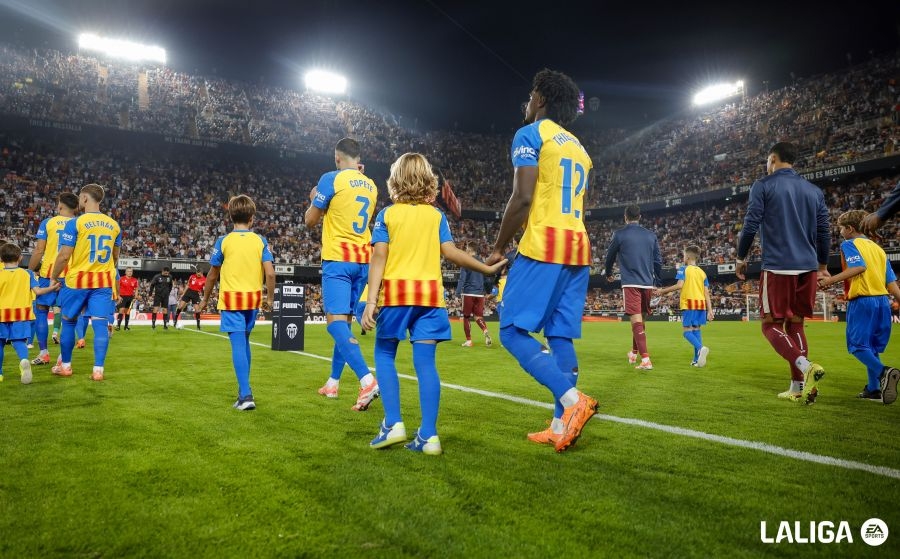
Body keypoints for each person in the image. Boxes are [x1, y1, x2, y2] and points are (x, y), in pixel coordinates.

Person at [485, 68, 599, 453]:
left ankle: (573, 401)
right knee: (559, 335)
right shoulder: (581, 149)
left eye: (532, 94)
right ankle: (559, 425)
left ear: (541, 100)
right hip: (578, 246)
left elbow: (522, 197)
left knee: (510, 331)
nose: (527, 101)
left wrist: (498, 247)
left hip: (545, 244)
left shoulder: (531, 134)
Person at [362, 152, 506, 455]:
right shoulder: (436, 216)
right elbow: (451, 252)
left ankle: (393, 424)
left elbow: (379, 257)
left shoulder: (387, 215)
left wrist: (371, 300)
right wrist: (485, 268)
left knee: (384, 354)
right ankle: (428, 436)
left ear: (395, 180)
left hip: (397, 296)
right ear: (428, 180)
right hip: (429, 298)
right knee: (426, 364)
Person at [736, 141, 830, 405]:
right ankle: (798, 387)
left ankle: (806, 366)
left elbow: (751, 223)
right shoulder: (814, 191)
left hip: (779, 266)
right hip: (808, 267)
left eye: (767, 161)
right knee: (796, 324)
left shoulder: (763, 185)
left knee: (770, 325)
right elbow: (824, 231)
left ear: (773, 159)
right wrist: (823, 266)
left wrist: (741, 257)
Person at [305, 137, 380, 411]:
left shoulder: (331, 179)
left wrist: (314, 199)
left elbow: (310, 221)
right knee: (345, 324)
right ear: (358, 159)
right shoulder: (371, 185)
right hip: (364, 261)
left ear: (337, 158)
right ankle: (333, 383)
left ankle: (367, 380)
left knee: (335, 324)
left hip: (338, 259)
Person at [199, 194, 276, 411]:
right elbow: (270, 273)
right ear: (252, 218)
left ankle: (245, 395)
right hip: (253, 300)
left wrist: (204, 299)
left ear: (231, 217)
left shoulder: (223, 241)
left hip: (232, 299)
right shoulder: (260, 241)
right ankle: (244, 391)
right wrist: (269, 298)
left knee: (238, 344)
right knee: (245, 342)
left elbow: (212, 275)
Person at [817, 210, 900, 404]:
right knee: (871, 347)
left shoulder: (849, 244)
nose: (840, 232)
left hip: (863, 301)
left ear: (850, 228)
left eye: (841, 228)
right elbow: (891, 283)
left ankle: (884, 372)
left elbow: (858, 267)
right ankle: (873, 389)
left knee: (856, 346)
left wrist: (830, 281)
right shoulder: (878, 249)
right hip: (883, 302)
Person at [49, 184, 121, 381]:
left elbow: (64, 256)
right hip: (103, 282)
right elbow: (115, 258)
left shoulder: (76, 223)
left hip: (77, 282)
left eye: (80, 198)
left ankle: (65, 366)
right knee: (100, 325)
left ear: (85, 198)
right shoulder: (114, 225)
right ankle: (98, 370)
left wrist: (54, 276)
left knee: (68, 322)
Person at [603, 204, 662, 370]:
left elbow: (609, 257)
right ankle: (634, 353)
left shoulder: (619, 234)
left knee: (636, 321)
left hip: (631, 283)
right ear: (640, 217)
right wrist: (658, 281)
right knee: (641, 321)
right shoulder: (651, 235)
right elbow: (658, 261)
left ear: (625, 217)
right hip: (647, 283)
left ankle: (646, 360)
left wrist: (608, 273)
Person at [26, 192, 78, 366]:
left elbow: (39, 250)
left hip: (48, 274)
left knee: (41, 311)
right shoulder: (80, 223)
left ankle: (44, 354)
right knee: (69, 317)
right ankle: (63, 359)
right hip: (70, 276)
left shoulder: (48, 222)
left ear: (60, 205)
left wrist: (29, 270)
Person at [1, 243, 59, 383]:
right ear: (20, 258)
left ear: (1, 259)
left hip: (1, 313)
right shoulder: (27, 274)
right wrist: (52, 288)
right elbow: (38, 291)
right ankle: (24, 360)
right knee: (19, 341)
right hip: (21, 314)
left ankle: (0, 374)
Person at [655, 245, 714, 367]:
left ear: (687, 257)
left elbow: (679, 285)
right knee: (696, 330)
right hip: (701, 305)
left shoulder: (684, 269)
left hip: (689, 303)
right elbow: (706, 293)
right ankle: (696, 360)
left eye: (683, 255)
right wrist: (710, 310)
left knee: (686, 332)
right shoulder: (702, 273)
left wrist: (662, 291)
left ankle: (701, 348)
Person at [456, 244, 493, 347]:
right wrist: (488, 292)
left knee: (466, 317)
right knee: (478, 316)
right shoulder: (482, 262)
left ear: (469, 249)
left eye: (466, 249)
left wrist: (457, 293)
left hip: (468, 292)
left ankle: (469, 341)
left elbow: (462, 278)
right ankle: (485, 330)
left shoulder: (466, 261)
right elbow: (487, 279)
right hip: (480, 294)